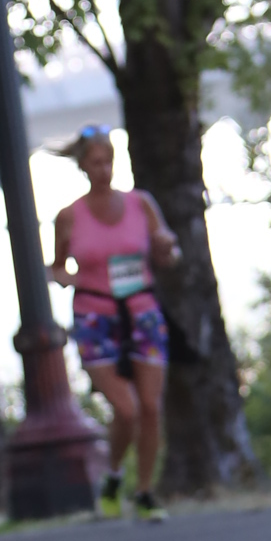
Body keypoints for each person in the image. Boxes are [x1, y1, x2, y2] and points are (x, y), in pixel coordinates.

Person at [47, 126, 181, 517]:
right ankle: (114, 474)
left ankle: (144, 492)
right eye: (95, 163)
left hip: (142, 314)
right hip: (96, 318)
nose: (103, 170)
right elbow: (57, 268)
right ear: (83, 167)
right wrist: (71, 279)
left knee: (150, 408)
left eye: (108, 162)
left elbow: (167, 252)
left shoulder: (141, 204)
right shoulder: (69, 216)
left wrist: (168, 248)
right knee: (127, 410)